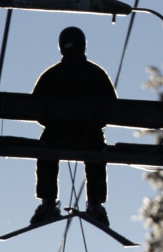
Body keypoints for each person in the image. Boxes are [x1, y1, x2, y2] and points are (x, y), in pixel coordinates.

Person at [30, 26, 118, 227]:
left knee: (46, 148)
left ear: (61, 48)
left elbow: (35, 110)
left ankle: (48, 202)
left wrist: (56, 122)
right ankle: (95, 203)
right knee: (96, 150)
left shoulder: (52, 75)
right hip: (89, 137)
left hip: (56, 136)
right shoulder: (96, 74)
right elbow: (113, 110)